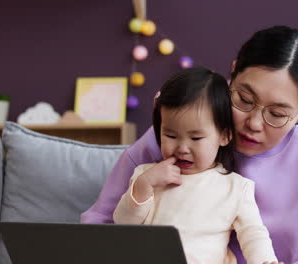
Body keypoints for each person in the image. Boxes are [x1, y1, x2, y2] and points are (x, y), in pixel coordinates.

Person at [82, 25, 298, 263]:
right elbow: (100, 227)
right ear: (232, 73)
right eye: (243, 99)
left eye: (277, 114)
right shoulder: (176, 138)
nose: (253, 123)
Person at [112, 67, 281, 264]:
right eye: (171, 135)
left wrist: (264, 260)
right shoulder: (147, 175)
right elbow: (122, 224)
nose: (182, 148)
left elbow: (253, 233)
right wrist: (144, 185)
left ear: (224, 135)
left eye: (196, 137)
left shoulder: (236, 188)